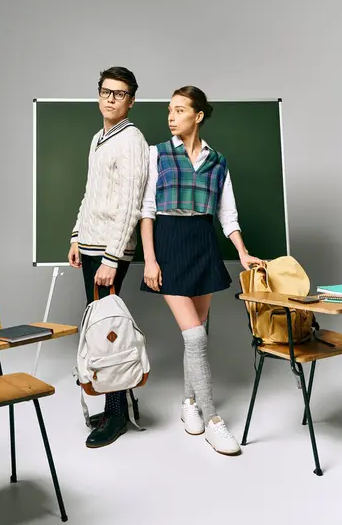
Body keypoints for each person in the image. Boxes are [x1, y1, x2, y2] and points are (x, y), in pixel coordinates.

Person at [140, 86, 262, 455]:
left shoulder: (218, 161)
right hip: (169, 244)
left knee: (197, 335)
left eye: (179, 110)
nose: (171, 116)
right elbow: (146, 210)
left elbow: (228, 215)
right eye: (169, 111)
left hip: (203, 244)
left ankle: (188, 403)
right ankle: (213, 421)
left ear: (198, 115)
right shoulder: (155, 154)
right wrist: (150, 259)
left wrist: (241, 251)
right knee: (195, 338)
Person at [68, 66, 149, 448]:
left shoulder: (131, 139)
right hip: (90, 244)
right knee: (99, 327)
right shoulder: (98, 138)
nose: (111, 98)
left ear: (130, 100)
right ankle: (112, 402)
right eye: (106, 91)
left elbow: (131, 203)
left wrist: (113, 258)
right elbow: (90, 192)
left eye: (119, 93)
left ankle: (116, 415)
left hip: (108, 251)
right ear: (99, 94)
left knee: (108, 333)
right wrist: (75, 236)